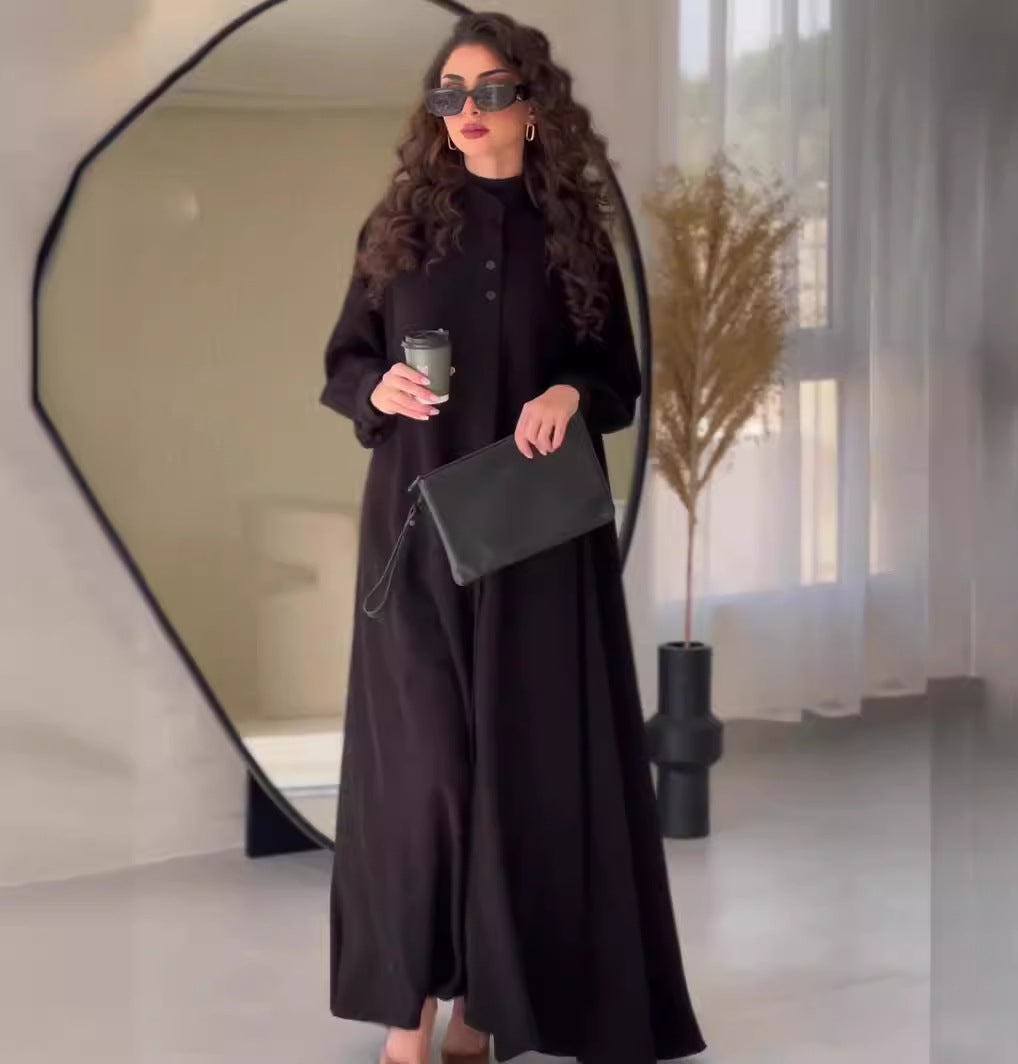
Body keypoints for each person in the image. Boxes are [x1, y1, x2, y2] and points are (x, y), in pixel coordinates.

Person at [319, 11, 705, 1064]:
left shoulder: (572, 234)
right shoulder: (400, 227)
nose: (468, 113)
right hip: (413, 536)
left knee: (521, 776)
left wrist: (568, 392)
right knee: (424, 775)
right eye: (449, 95)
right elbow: (343, 363)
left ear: (531, 106)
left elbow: (615, 378)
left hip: (536, 542)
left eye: (490, 92)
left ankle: (486, 1014)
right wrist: (379, 389)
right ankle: (406, 1022)